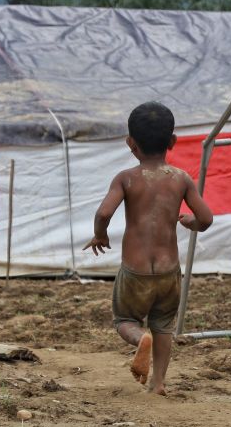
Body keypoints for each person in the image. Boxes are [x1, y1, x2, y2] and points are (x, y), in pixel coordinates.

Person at [83, 101, 213, 395]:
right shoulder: (181, 179)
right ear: (173, 142)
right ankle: (158, 382)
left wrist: (100, 236)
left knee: (125, 319)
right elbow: (205, 218)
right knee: (164, 325)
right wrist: (190, 222)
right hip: (169, 272)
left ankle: (140, 338)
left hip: (136, 271)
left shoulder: (127, 178)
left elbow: (104, 213)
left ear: (131, 143)